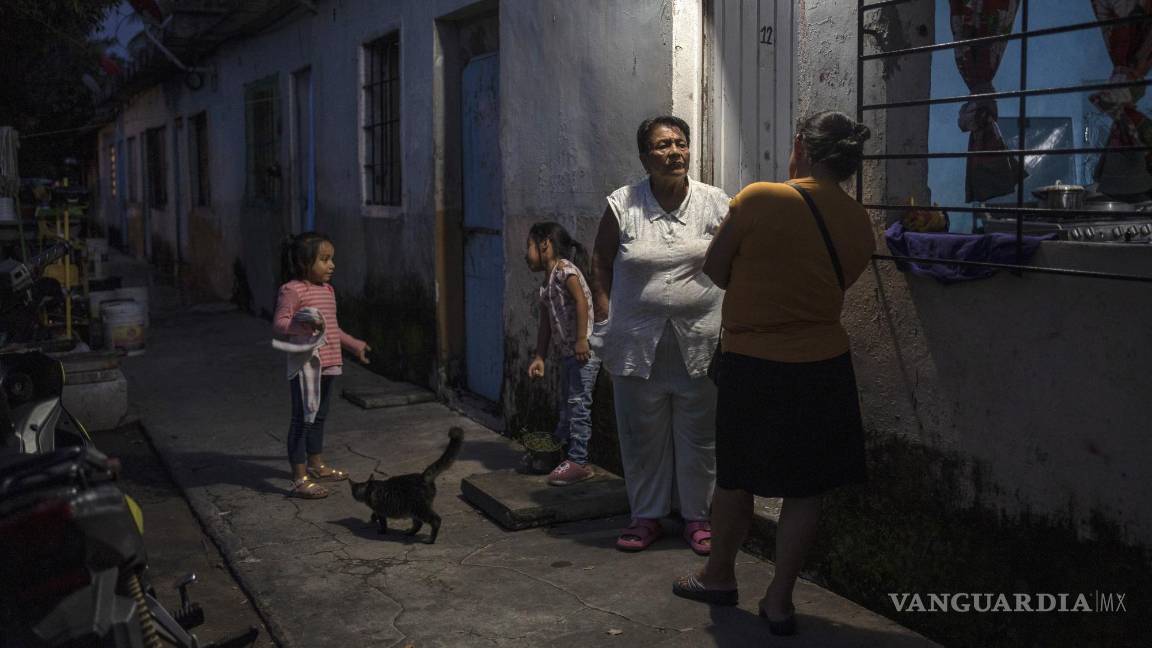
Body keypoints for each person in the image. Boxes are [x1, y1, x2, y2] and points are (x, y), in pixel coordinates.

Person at [670, 111, 876, 637]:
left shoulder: (761, 197)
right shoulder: (858, 219)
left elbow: (715, 271)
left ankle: (718, 576)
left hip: (754, 365)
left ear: (802, 146)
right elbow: (841, 282)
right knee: (806, 490)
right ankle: (780, 601)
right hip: (824, 366)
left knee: (737, 481)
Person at [590, 115, 729, 554]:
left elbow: (733, 261)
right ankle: (646, 516)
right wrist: (605, 317)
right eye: (663, 145)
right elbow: (600, 261)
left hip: (700, 339)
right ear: (644, 157)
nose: (675, 152)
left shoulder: (715, 203)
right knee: (640, 433)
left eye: (681, 143)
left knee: (700, 434)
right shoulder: (622, 205)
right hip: (635, 340)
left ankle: (698, 518)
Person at [273, 232, 371, 499]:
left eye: (332, 259)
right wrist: (304, 324)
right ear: (305, 263)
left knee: (320, 416)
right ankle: (299, 478)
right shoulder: (293, 289)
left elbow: (332, 328)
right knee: (302, 418)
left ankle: (316, 465)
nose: (332, 265)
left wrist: (354, 345)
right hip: (306, 366)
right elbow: (280, 323)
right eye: (325, 259)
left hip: (329, 363)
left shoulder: (327, 290)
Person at [525, 222, 600, 486]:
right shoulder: (547, 283)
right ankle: (558, 453)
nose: (527, 253)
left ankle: (579, 462)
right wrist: (539, 357)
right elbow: (545, 323)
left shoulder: (565, 270)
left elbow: (580, 301)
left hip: (582, 352)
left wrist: (581, 339)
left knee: (578, 405)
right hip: (569, 354)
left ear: (545, 244)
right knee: (567, 406)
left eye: (529, 245)